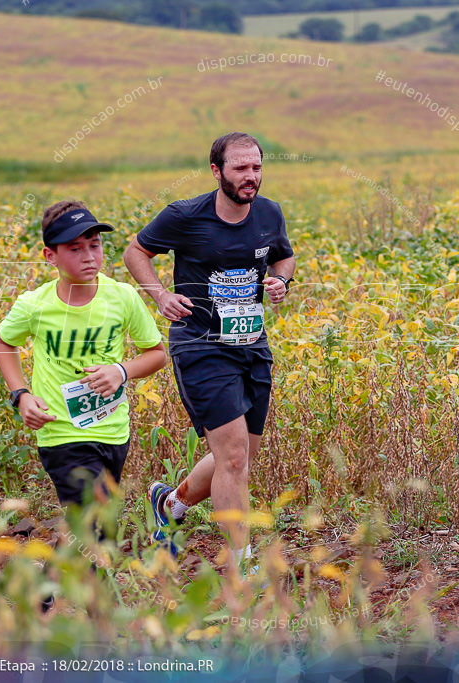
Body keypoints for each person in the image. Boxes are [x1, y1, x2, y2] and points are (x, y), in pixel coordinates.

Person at [123, 132, 296, 573]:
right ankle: (243, 566)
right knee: (234, 457)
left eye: (256, 167)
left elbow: (284, 258)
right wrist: (160, 295)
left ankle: (171, 503)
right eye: (240, 168)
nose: (250, 176)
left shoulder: (269, 213)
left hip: (251, 345)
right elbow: (135, 251)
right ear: (217, 170)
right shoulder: (184, 216)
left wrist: (281, 281)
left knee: (238, 459)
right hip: (200, 346)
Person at [0, 199, 166, 533]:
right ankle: (74, 582)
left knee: (94, 528)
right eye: (75, 248)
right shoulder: (35, 305)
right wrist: (21, 395)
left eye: (95, 245)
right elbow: (3, 342)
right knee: (96, 525)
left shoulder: (123, 298)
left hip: (113, 430)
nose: (89, 256)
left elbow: (156, 353)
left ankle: (56, 585)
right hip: (61, 431)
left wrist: (121, 370)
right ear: (50, 256)